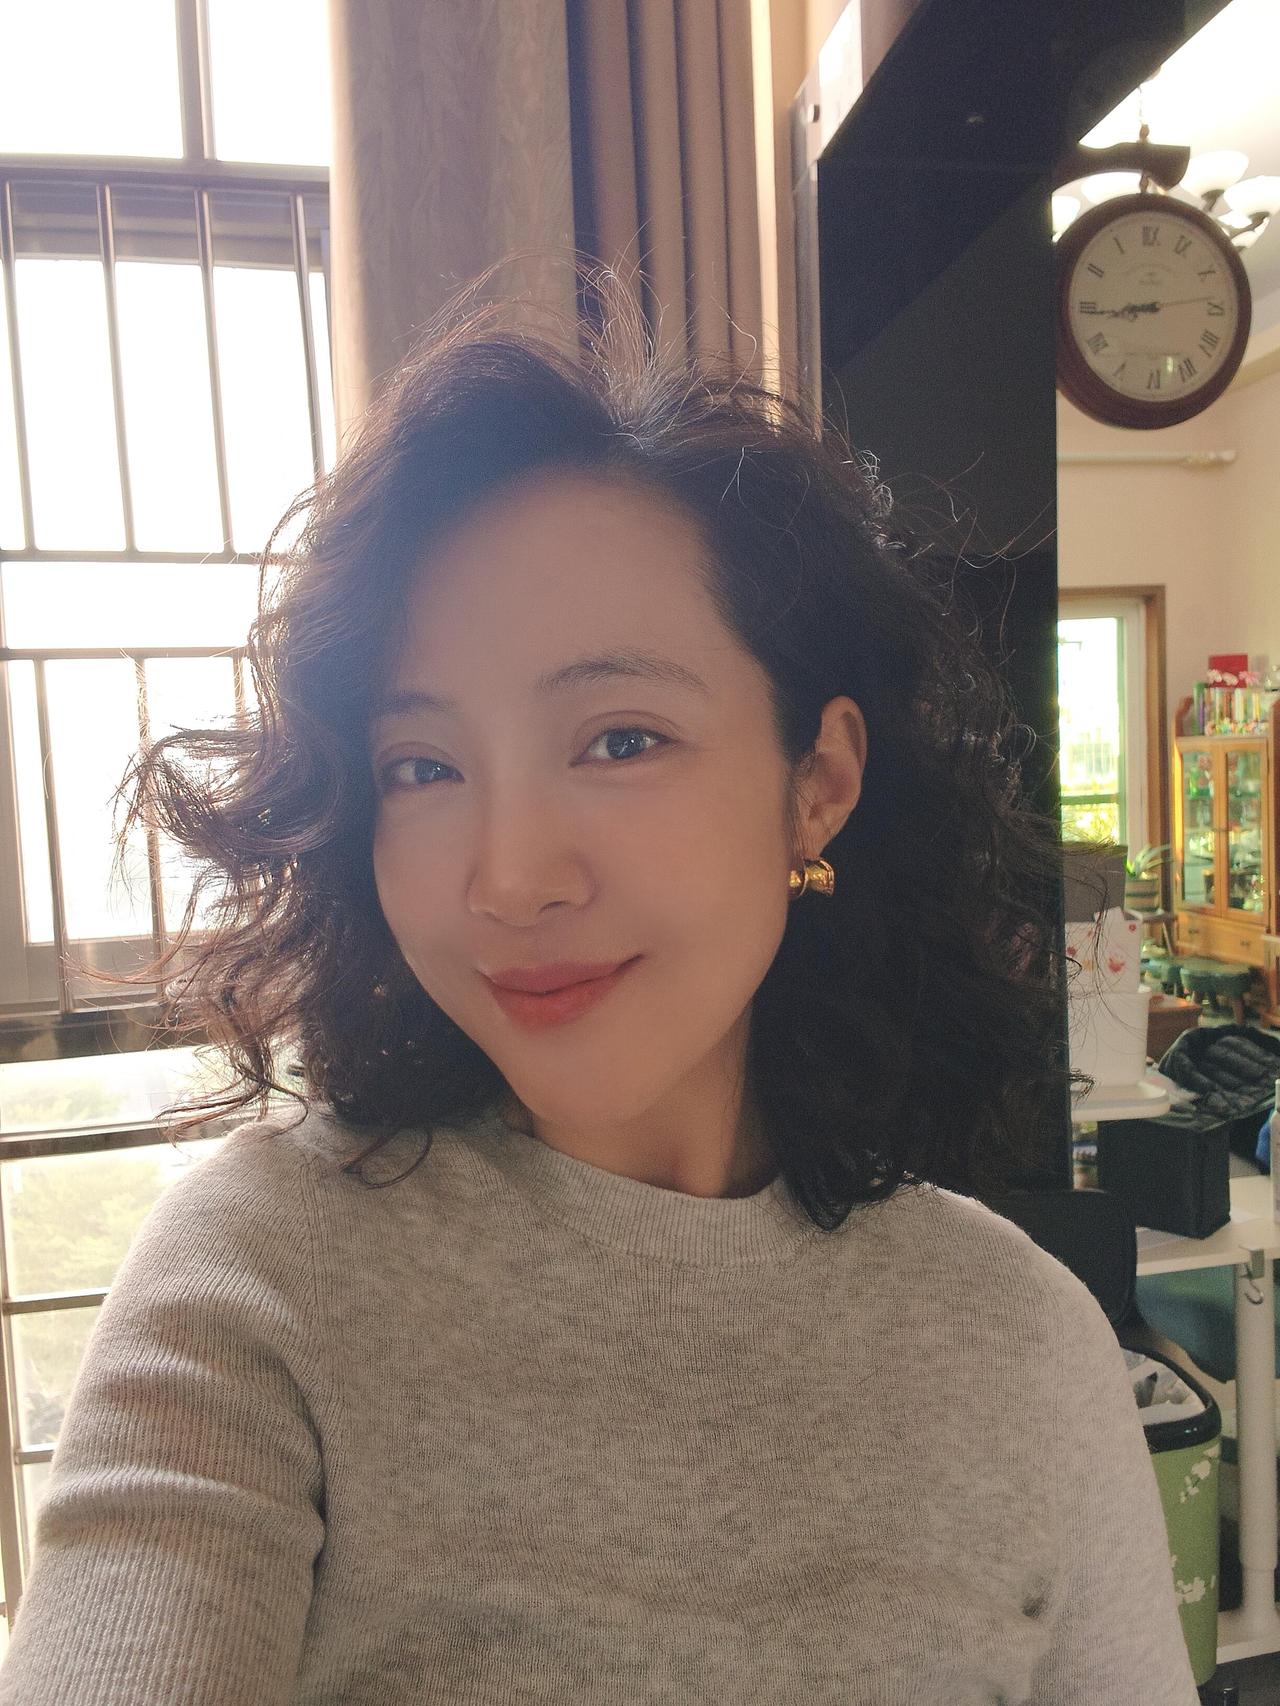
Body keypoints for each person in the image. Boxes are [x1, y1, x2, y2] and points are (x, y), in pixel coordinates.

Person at [0, 264, 1198, 1703]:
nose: (510, 878)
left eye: (620, 739)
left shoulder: (1021, 1342)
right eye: (421, 766)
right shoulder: (257, 1287)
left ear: (817, 783)